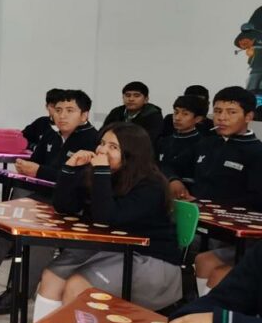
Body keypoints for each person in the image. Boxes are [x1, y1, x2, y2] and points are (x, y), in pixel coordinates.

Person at [15, 123, 182, 323]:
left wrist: (101, 171)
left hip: (150, 261)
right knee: (52, 275)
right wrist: (70, 169)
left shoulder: (150, 184)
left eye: (113, 147)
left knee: (77, 285)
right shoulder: (104, 174)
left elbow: (108, 217)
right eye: (102, 143)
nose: (103, 151)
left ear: (132, 154)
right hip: (110, 249)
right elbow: (64, 207)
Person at [0, 89, 100, 315]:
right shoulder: (51, 134)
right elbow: (36, 164)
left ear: (84, 115)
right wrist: (26, 168)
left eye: (70, 110)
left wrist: (39, 171)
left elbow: (79, 180)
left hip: (74, 206)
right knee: (2, 221)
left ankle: (18, 293)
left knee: (36, 234)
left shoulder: (91, 140)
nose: (62, 116)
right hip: (43, 196)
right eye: (58, 110)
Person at [169, 87, 262, 296]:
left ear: (249, 116)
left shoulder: (256, 152)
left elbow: (256, 199)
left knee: (204, 262)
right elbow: (169, 165)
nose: (222, 118)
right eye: (218, 111)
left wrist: (208, 203)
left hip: (235, 234)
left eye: (231, 112)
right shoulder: (206, 144)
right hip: (200, 225)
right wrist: (174, 181)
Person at [156, 95, 207, 186]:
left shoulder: (203, 144)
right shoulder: (163, 142)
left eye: (185, 114)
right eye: (176, 112)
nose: (177, 118)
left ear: (198, 119)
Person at [102, 81, 164, 145]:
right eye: (127, 95)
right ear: (123, 98)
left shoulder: (153, 115)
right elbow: (103, 132)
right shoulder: (116, 112)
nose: (131, 99)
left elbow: (149, 141)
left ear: (146, 99)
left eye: (136, 96)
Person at [236, 6, 262, 93]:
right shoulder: (261, 11)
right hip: (258, 67)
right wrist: (246, 39)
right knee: (251, 95)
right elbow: (246, 33)